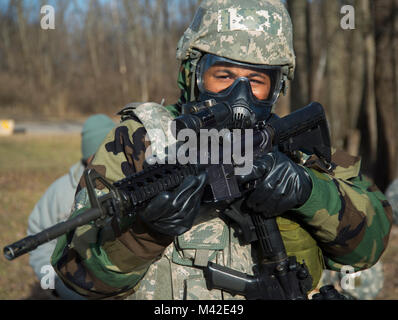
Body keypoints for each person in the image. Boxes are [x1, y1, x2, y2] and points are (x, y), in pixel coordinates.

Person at [50, 0, 393, 300]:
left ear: (277, 88)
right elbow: (73, 279)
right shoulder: (141, 140)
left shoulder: (292, 145)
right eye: (223, 75)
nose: (239, 96)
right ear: (193, 73)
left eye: (256, 81)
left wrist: (311, 192)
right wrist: (144, 235)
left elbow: (371, 246)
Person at [27, 114, 115, 300]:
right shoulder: (61, 192)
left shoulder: (126, 186)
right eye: (100, 154)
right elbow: (39, 243)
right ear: (89, 155)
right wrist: (54, 287)